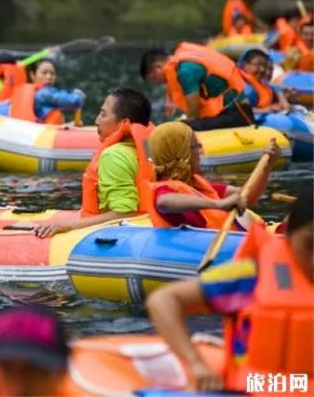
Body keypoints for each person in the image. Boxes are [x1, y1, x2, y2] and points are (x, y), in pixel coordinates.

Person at [146, 188, 313, 393]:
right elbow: (164, 299)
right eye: (310, 244)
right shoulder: (252, 276)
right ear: (287, 236)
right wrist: (196, 363)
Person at [32, 87, 153, 237]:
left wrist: (69, 226)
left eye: (103, 114)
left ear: (124, 122)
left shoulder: (113, 156)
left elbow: (124, 213)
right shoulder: (147, 148)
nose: (97, 120)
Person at [147, 121, 279, 230]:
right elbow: (163, 202)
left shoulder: (196, 184)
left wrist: (267, 165)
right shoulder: (164, 190)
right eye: (196, 146)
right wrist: (218, 204)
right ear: (181, 153)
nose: (201, 151)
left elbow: (247, 196)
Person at [140, 44, 252, 131]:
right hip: (231, 111)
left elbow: (193, 112)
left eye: (154, 78)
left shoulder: (185, 70)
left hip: (238, 114)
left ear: (158, 67)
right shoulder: (184, 62)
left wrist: (186, 124)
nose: (158, 83)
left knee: (187, 127)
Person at [8, 58, 85, 124]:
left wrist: (68, 126)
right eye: (44, 73)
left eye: (52, 74)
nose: (49, 77)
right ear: (32, 75)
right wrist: (78, 94)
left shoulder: (24, 93)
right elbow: (75, 101)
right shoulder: (43, 94)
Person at [238, 48, 290, 114]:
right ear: (244, 65)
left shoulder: (260, 84)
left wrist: (281, 96)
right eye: (258, 65)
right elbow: (239, 112)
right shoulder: (241, 88)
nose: (262, 70)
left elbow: (272, 87)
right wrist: (267, 109)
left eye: (263, 66)